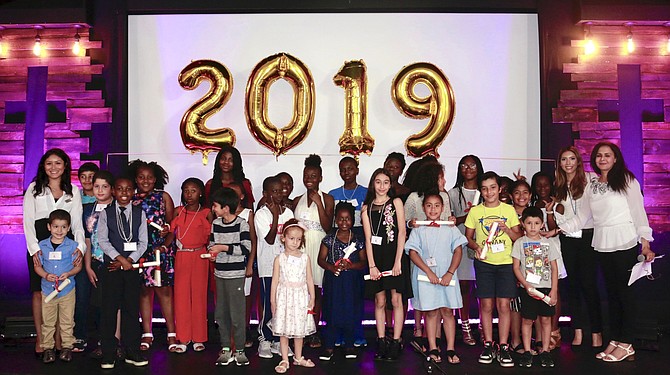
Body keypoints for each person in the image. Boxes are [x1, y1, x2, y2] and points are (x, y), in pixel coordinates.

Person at [553, 141, 655, 363]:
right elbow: (583, 217)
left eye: (607, 155)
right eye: (599, 156)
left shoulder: (627, 180)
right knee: (612, 294)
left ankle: (627, 343)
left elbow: (639, 212)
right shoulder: (592, 185)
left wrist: (645, 242)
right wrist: (558, 229)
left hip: (625, 240)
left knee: (625, 295)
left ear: (615, 158)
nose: (603, 159)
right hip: (602, 242)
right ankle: (616, 339)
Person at [23, 148, 86, 358]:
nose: (53, 167)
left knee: (64, 291)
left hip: (66, 246)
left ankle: (61, 341)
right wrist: (34, 250)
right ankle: (43, 339)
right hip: (40, 246)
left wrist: (79, 248)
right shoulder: (34, 189)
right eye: (49, 163)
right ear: (43, 166)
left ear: (65, 166)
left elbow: (77, 224)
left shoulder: (73, 191)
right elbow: (27, 223)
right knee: (40, 291)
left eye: (58, 163)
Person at [465, 171, 521, 367]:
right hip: (484, 264)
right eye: (484, 188)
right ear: (481, 190)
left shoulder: (508, 210)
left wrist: (506, 229)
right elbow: (468, 237)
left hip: (505, 263)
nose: (489, 192)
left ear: (499, 189)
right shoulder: (475, 212)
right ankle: (488, 343)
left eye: (492, 188)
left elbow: (517, 237)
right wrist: (476, 246)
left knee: (504, 306)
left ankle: (504, 346)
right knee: (486, 306)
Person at [406, 194, 467, 365]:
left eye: (437, 206)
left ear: (442, 208)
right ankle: (433, 347)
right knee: (431, 312)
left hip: (447, 276)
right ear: (424, 208)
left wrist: (449, 272)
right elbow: (413, 252)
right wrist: (428, 273)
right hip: (427, 278)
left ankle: (450, 348)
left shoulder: (450, 228)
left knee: (447, 311)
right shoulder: (418, 229)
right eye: (429, 206)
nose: (433, 209)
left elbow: (458, 250)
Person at [96, 176, 148, 368]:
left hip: (131, 268)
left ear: (133, 191)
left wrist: (130, 260)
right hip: (112, 267)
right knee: (109, 310)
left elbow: (143, 242)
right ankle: (109, 353)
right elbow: (103, 240)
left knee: (131, 310)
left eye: (128, 189)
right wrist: (120, 259)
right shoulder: (105, 213)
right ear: (114, 191)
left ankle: (132, 351)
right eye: (120, 189)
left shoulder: (139, 212)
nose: (124, 193)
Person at [553, 146, 602, 348]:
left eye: (572, 158)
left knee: (589, 286)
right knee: (572, 287)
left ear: (578, 161)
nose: (568, 163)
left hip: (588, 238)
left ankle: (597, 332)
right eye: (564, 159)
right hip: (567, 239)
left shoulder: (591, 180)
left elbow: (591, 213)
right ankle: (578, 331)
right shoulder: (558, 185)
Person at [127, 159, 178, 352]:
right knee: (143, 291)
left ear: (156, 178)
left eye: (149, 177)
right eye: (141, 177)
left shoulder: (163, 197)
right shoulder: (131, 198)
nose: (145, 180)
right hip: (139, 251)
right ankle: (147, 333)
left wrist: (165, 244)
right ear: (135, 178)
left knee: (164, 291)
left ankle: (171, 333)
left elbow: (172, 227)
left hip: (160, 250)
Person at [362, 168, 411, 361]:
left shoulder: (396, 202)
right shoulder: (366, 207)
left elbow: (401, 233)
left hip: (394, 257)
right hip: (377, 259)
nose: (381, 186)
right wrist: (372, 265)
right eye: (378, 182)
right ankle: (381, 340)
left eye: (385, 182)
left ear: (391, 185)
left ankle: (396, 340)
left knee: (397, 300)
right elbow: (367, 238)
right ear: (373, 184)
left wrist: (398, 260)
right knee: (379, 301)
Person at [292, 154, 334, 348]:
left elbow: (327, 227)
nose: (309, 179)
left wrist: (318, 202)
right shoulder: (297, 200)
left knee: (316, 290)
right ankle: (300, 328)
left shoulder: (327, 199)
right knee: (299, 289)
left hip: (318, 247)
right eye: (307, 175)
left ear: (320, 178)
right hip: (300, 248)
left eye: (314, 176)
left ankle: (314, 330)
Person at [207, 188, 252, 366]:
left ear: (226, 208)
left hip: (236, 275)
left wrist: (223, 248)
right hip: (220, 274)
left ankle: (239, 349)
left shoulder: (242, 224)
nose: (213, 209)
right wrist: (212, 253)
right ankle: (225, 348)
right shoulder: (216, 223)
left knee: (237, 313)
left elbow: (246, 248)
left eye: (216, 206)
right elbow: (212, 244)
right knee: (221, 313)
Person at [317, 202, 367, 361]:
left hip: (351, 281)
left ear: (353, 220)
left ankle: (350, 345)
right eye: (340, 219)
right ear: (335, 220)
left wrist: (351, 266)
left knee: (351, 311)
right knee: (332, 309)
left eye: (347, 219)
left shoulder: (357, 239)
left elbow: (363, 262)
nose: (344, 222)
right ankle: (329, 346)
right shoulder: (329, 239)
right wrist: (331, 268)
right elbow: (320, 260)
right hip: (334, 280)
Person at [167, 177, 212, 353]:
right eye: (186, 190)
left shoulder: (207, 212)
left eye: (193, 190)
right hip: (182, 255)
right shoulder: (179, 211)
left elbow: (211, 236)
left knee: (199, 296)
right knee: (181, 296)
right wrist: (164, 244)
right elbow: (171, 233)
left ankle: (199, 337)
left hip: (201, 256)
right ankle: (183, 337)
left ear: (200, 193)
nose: (189, 194)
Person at [512, 206, 560, 368]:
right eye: (529, 223)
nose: (533, 227)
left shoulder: (549, 243)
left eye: (536, 223)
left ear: (542, 224)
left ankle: (545, 351)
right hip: (528, 289)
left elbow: (554, 268)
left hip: (546, 288)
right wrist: (525, 285)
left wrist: (554, 290)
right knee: (527, 320)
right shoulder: (519, 243)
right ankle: (527, 351)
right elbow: (516, 267)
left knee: (546, 320)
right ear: (523, 224)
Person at [34, 209, 82, 363]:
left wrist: (68, 274)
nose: (59, 231)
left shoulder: (73, 246)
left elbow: (78, 267)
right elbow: (37, 266)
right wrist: (46, 275)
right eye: (55, 227)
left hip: (67, 291)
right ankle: (48, 348)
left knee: (67, 320)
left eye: (63, 227)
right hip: (48, 291)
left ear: (68, 228)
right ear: (49, 227)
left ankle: (67, 347)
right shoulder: (42, 246)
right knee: (48, 321)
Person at [270, 219, 317, 373]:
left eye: (298, 239)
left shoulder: (305, 258)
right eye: (291, 238)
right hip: (285, 298)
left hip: (300, 298)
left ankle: (298, 357)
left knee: (299, 329)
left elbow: (309, 278)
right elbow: (275, 281)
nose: (295, 242)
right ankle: (284, 359)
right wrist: (272, 301)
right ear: (283, 237)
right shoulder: (279, 259)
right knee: (284, 330)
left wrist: (312, 297)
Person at [255, 176, 294, 359]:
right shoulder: (261, 214)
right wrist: (276, 215)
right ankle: (265, 339)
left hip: (285, 268)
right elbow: (270, 239)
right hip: (268, 267)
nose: (279, 194)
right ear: (265, 194)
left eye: (281, 190)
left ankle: (279, 340)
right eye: (274, 191)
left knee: (282, 305)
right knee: (268, 305)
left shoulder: (288, 214)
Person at [447, 154, 484, 346]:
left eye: (472, 165)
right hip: (461, 244)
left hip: (484, 244)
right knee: (463, 287)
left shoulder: (485, 190)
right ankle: (465, 324)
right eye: (464, 166)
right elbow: (452, 220)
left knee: (483, 287)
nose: (468, 169)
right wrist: (464, 217)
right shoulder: (453, 193)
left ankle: (483, 327)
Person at [80, 170, 115, 357]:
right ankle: (103, 342)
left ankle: (115, 342)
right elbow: (87, 240)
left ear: (112, 189)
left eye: (105, 186)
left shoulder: (118, 208)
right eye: (96, 186)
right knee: (100, 304)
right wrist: (87, 266)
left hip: (114, 263)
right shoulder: (87, 210)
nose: (100, 190)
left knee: (115, 304)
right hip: (95, 262)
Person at [227, 181, 259, 350]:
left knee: (244, 299)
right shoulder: (221, 214)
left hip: (243, 263)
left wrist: (250, 264)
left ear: (242, 196)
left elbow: (253, 241)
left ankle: (243, 331)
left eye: (235, 192)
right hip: (226, 265)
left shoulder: (248, 213)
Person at [73, 162, 100, 351]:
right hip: (79, 254)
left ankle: (101, 337)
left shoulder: (105, 197)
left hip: (101, 254)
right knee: (81, 297)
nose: (88, 180)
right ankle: (80, 336)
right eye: (84, 176)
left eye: (92, 176)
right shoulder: (75, 198)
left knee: (101, 298)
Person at [205, 145, 255, 209]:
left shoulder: (244, 183)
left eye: (230, 160)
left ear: (236, 162)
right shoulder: (210, 184)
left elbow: (249, 208)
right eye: (223, 158)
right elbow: (207, 209)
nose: (226, 162)